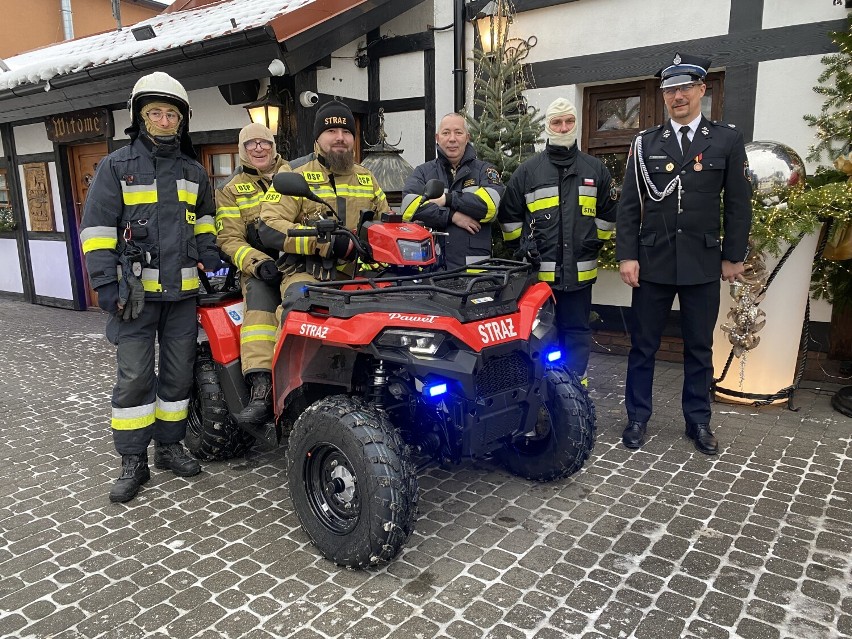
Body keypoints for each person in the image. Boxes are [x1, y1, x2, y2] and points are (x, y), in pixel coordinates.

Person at [80, 71, 220, 502]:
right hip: (133, 297)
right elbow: (98, 230)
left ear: (182, 121)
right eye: (155, 113)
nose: (163, 120)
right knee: (136, 379)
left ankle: (170, 448)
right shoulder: (115, 166)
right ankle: (132, 461)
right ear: (140, 118)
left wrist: (211, 252)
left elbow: (206, 223)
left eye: (171, 114)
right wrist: (105, 283)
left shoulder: (195, 172)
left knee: (178, 378)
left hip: (182, 297)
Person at [616, 53, 752, 455]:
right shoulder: (644, 144)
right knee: (643, 346)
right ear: (663, 96)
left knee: (698, 346)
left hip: (702, 261)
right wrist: (627, 255)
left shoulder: (726, 139)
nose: (677, 96)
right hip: (653, 261)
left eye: (685, 88)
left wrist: (733, 255)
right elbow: (629, 205)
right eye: (670, 90)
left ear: (701, 90)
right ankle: (637, 417)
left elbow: (738, 205)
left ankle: (698, 421)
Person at [498, 97, 617, 385]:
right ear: (548, 126)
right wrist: (521, 247)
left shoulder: (595, 169)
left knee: (576, 333)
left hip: (580, 274)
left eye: (569, 121)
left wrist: (592, 243)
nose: (563, 127)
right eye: (556, 122)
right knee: (541, 333)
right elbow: (508, 217)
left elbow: (609, 215)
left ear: (575, 123)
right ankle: (544, 393)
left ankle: (577, 392)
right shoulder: (528, 172)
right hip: (540, 278)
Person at [258, 100, 389, 314]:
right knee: (301, 309)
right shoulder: (293, 173)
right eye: (331, 130)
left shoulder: (367, 177)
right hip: (308, 271)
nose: (340, 137)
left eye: (346, 131)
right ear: (317, 138)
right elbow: (268, 226)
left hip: (360, 272)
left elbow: (386, 222)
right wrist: (326, 243)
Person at [214, 123, 290, 426]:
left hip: (305, 261)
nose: (259, 148)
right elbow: (229, 239)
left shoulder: (297, 176)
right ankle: (262, 386)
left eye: (264, 143)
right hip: (262, 269)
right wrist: (258, 263)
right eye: (251, 144)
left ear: (273, 146)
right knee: (260, 310)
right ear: (242, 150)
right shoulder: (231, 191)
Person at [400, 113, 504, 270]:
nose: (452, 139)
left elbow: (488, 207)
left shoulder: (485, 171)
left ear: (467, 137)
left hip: (474, 272)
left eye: (458, 132)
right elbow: (409, 208)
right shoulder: (422, 172)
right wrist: (451, 216)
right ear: (437, 137)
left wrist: (447, 199)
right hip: (432, 270)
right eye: (446, 133)